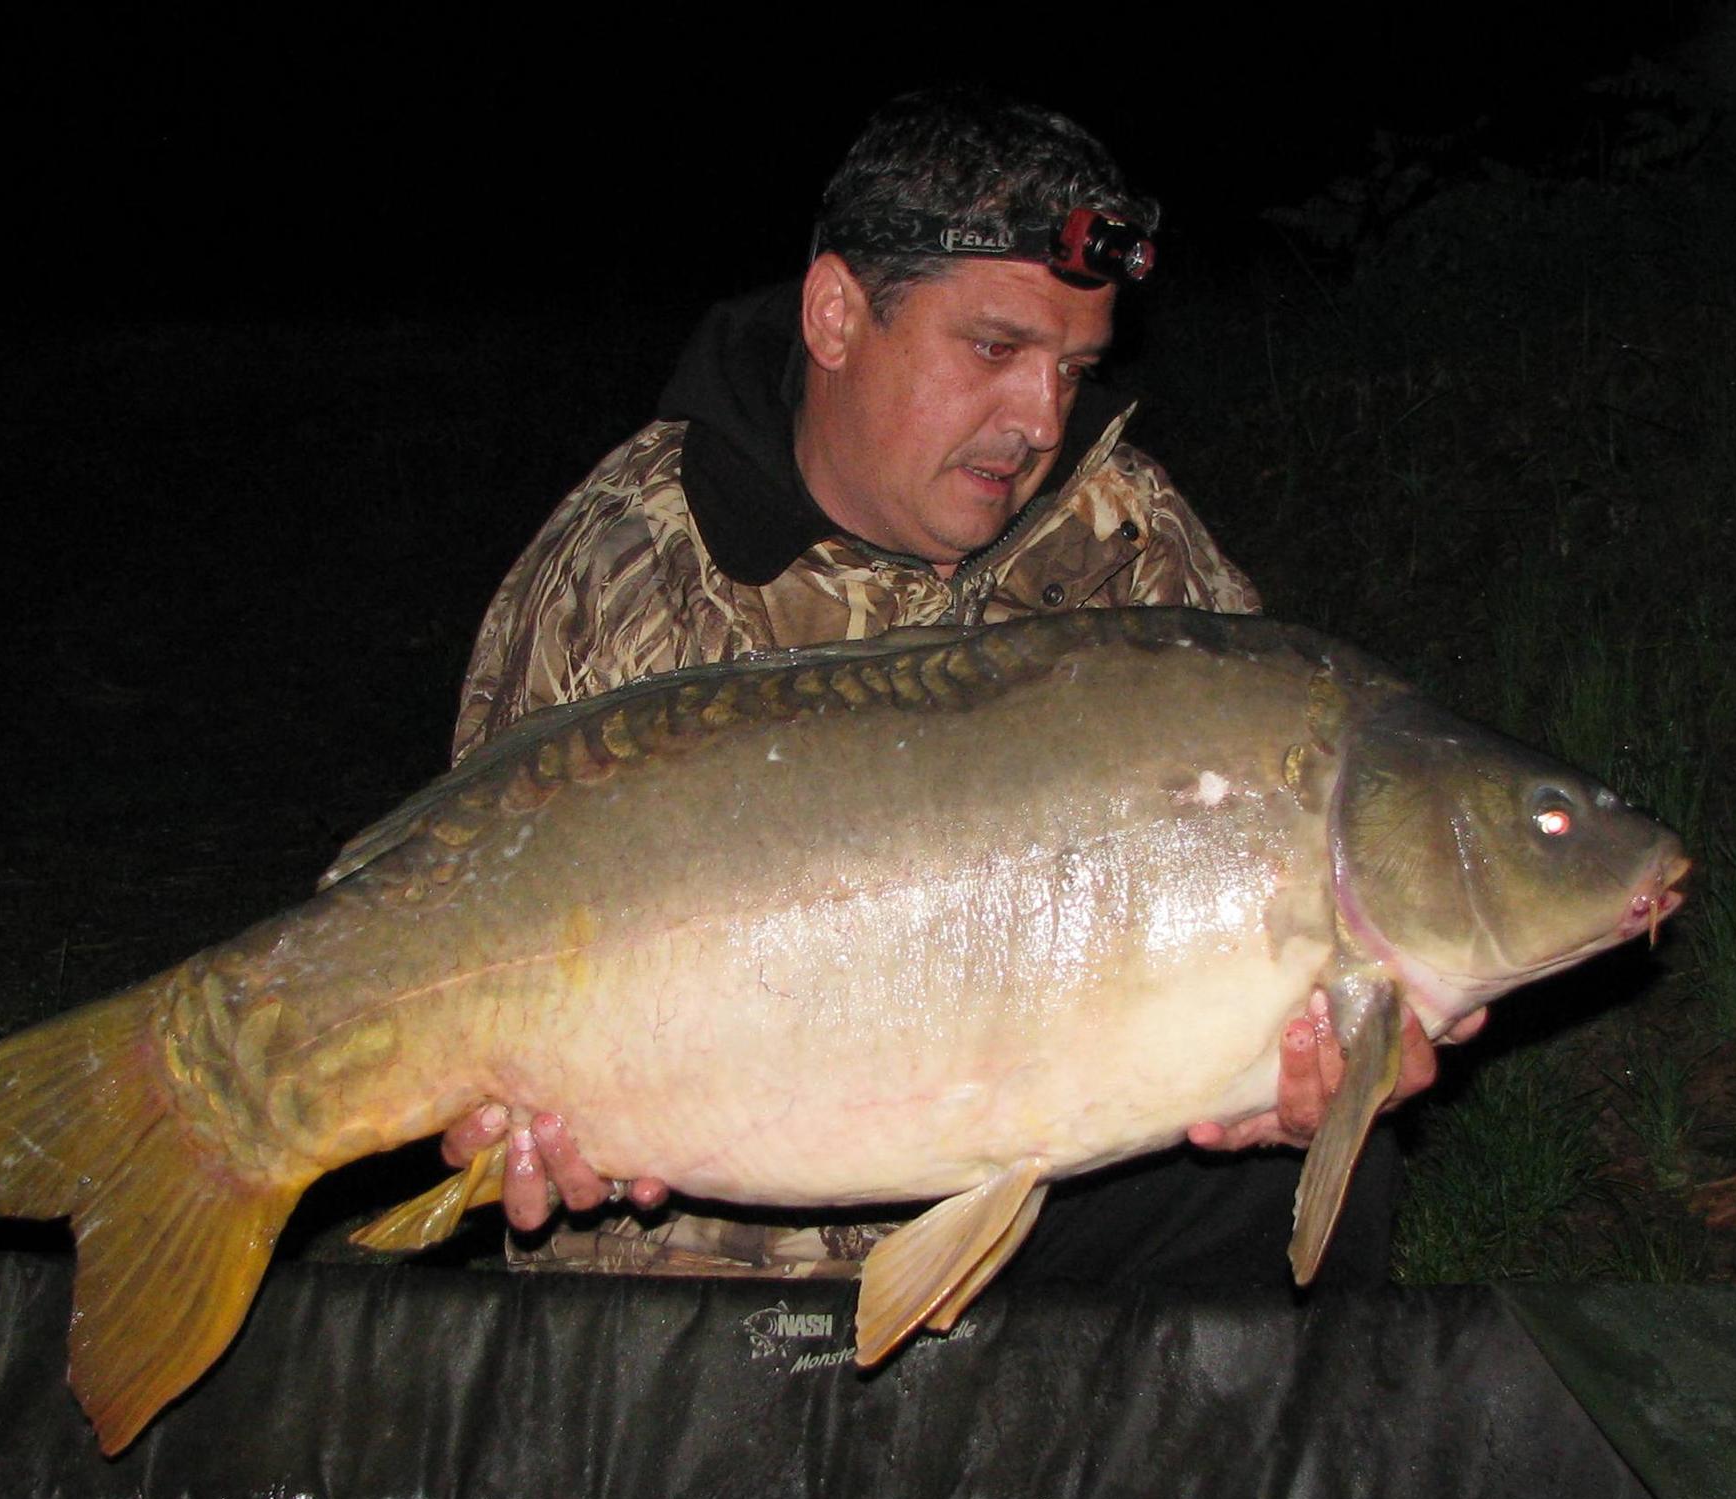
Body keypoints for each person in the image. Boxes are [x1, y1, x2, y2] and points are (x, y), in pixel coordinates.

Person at [432, 87, 1481, 1285]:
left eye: (1074, 368)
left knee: (1316, 1175)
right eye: (994, 349)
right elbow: (477, 935)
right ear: (836, 315)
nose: (1038, 420)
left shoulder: (1120, 532)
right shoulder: (627, 572)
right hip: (734, 1222)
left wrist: (1286, 1081)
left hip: (1039, 1184)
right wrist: (509, 1119)